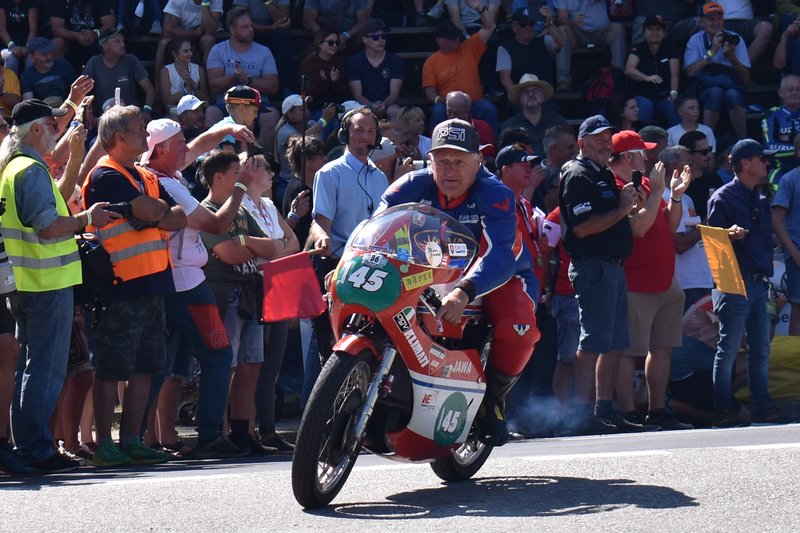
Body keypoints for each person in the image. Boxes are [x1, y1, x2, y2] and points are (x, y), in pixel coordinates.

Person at [378, 118, 540, 446]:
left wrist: (464, 291)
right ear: (430, 161)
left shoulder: (495, 193)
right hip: (430, 269)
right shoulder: (408, 185)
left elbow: (499, 256)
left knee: (518, 328)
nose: (450, 170)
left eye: (459, 161)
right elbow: (375, 228)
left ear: (478, 160)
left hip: (500, 275)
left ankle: (492, 401)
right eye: (442, 161)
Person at [0, 99, 115, 472]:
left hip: (27, 282)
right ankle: (36, 448)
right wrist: (87, 218)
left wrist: (78, 155)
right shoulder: (30, 171)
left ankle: (30, 445)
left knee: (32, 367)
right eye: (51, 125)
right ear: (36, 130)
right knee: (44, 369)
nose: (55, 132)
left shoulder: (17, 168)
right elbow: (50, 227)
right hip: (44, 282)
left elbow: (54, 208)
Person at [141, 117, 257, 459]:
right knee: (219, 354)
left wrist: (227, 129)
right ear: (160, 149)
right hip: (187, 283)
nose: (185, 148)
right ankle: (208, 436)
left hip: (171, 279)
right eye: (179, 144)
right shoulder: (170, 184)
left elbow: (198, 145)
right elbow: (217, 223)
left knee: (161, 365)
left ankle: (140, 439)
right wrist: (241, 186)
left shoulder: (158, 169)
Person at [82, 105, 187, 467]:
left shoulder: (147, 175)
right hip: (119, 285)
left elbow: (178, 217)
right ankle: (104, 445)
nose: (145, 133)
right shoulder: (104, 174)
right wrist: (149, 212)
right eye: (139, 128)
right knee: (111, 367)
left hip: (154, 283)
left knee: (146, 365)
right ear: (118, 138)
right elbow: (151, 210)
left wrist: (148, 212)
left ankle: (131, 440)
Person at [199, 149, 290, 455]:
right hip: (225, 296)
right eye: (236, 174)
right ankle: (215, 430)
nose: (241, 179)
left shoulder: (240, 212)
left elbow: (274, 246)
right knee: (227, 365)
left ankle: (241, 433)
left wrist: (243, 241)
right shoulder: (208, 210)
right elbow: (230, 255)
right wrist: (249, 245)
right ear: (218, 178)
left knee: (252, 364)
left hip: (250, 296)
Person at [558, 114, 640, 434]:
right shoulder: (578, 174)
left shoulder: (602, 173)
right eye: (598, 140)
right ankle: (581, 414)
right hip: (594, 266)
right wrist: (621, 210)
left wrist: (626, 207)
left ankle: (603, 409)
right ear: (582, 143)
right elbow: (583, 227)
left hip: (613, 266)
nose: (606, 145)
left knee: (615, 341)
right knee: (593, 341)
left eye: (609, 139)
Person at [608, 130, 692, 431]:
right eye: (643, 152)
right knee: (628, 352)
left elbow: (669, 223)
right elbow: (638, 229)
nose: (649, 157)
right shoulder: (615, 185)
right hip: (635, 281)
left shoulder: (644, 182)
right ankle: (629, 413)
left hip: (664, 279)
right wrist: (658, 192)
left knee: (663, 348)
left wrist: (676, 194)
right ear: (629, 157)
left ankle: (656, 410)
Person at [707, 139, 785, 427]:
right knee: (728, 348)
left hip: (758, 282)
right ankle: (723, 407)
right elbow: (713, 243)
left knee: (760, 349)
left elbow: (764, 244)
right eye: (761, 159)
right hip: (733, 281)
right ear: (745, 164)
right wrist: (728, 233)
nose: (767, 163)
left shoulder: (761, 198)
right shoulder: (723, 197)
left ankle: (762, 406)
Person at [309, 107, 388, 361]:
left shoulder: (381, 178)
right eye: (359, 130)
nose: (366, 136)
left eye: (371, 131)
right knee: (331, 348)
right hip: (338, 266)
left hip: (372, 271)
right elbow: (320, 221)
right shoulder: (330, 173)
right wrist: (322, 236)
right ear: (345, 134)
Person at [240, 152, 299, 452]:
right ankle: (249, 429)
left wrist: (272, 252)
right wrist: (276, 250)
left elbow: (294, 242)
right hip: (255, 289)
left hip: (276, 286)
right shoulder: (239, 206)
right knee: (254, 363)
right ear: (250, 171)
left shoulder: (270, 205)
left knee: (272, 363)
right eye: (266, 168)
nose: (273, 173)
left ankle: (268, 429)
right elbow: (276, 245)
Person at [281, 135, 326, 407]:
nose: (324, 161)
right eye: (319, 156)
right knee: (312, 335)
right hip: (302, 271)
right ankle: (309, 401)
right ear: (308, 160)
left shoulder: (300, 188)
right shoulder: (302, 192)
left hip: (302, 270)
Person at [206, 7, 280, 149]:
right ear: (232, 29)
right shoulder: (218, 50)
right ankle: (212, 160)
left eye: (251, 26)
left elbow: (273, 86)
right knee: (211, 112)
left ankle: (263, 158)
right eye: (245, 27)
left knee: (271, 115)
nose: (251, 30)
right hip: (226, 104)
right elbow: (214, 85)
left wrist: (250, 81)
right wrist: (234, 78)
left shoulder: (264, 52)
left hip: (257, 104)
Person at [422, 3, 498, 133]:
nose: (457, 40)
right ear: (439, 40)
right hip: (448, 106)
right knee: (438, 110)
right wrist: (440, 100)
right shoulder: (431, 61)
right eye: (451, 38)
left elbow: (489, 27)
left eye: (457, 36)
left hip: (473, 104)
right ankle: (433, 147)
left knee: (488, 108)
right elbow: (429, 92)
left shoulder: (469, 47)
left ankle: (493, 148)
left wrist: (481, 9)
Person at [658, 145, 713, 310]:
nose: (694, 165)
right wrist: (707, 225)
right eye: (689, 162)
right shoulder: (665, 197)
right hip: (685, 283)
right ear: (675, 166)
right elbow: (679, 245)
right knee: (689, 335)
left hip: (699, 279)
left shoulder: (686, 197)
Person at [684, 2, 749, 138]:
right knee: (715, 93)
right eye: (711, 19)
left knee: (733, 95)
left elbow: (745, 78)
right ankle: (707, 142)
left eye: (719, 18)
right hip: (705, 87)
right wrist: (711, 52)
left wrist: (732, 57)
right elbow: (690, 73)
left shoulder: (735, 39)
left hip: (732, 85)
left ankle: (743, 141)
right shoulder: (695, 40)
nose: (715, 22)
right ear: (702, 22)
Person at [553, 0, 626, 92]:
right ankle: (563, 81)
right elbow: (562, 18)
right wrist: (573, 21)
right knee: (562, 30)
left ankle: (617, 76)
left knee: (617, 28)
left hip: (602, 31)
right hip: (577, 33)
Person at [84, 28, 156, 121]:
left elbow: (150, 90)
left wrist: (147, 110)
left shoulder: (131, 60)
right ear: (105, 45)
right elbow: (83, 93)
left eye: (123, 41)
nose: (123, 45)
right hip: (104, 119)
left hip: (131, 117)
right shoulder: (94, 63)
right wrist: (89, 115)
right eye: (117, 41)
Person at [274, 94, 335, 202]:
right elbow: (300, 143)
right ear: (290, 114)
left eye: (306, 107)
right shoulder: (284, 131)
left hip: (310, 182)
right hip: (291, 185)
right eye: (301, 109)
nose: (306, 110)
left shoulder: (310, 125)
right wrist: (324, 120)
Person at [624, 15, 681, 128]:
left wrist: (674, 93)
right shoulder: (638, 48)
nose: (654, 32)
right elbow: (629, 69)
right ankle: (642, 142)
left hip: (664, 95)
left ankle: (676, 142)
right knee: (645, 105)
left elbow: (675, 74)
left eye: (658, 29)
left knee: (673, 106)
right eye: (650, 29)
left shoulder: (670, 49)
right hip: (642, 94)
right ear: (644, 33)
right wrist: (647, 77)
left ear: (664, 33)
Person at [232, 0, 294, 95]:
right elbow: (241, 21)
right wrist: (270, 28)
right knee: (243, 32)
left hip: (275, 33)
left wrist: (268, 1)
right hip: (252, 32)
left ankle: (285, 88)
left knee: (284, 35)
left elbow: (283, 20)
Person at [346, 18, 403, 120]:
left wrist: (384, 104)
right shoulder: (354, 61)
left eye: (384, 36)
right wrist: (371, 106)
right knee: (359, 114)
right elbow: (357, 95)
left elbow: (394, 93)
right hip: (363, 105)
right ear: (364, 40)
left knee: (395, 111)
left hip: (388, 104)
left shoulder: (395, 60)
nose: (381, 40)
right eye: (375, 37)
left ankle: (394, 136)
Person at [496, 6, 564, 91]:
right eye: (523, 25)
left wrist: (549, 24)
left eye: (531, 24)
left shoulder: (544, 41)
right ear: (514, 27)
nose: (528, 28)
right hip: (518, 99)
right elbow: (505, 79)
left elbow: (561, 42)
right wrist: (519, 98)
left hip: (545, 97)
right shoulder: (505, 48)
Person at [155, 0, 222, 84]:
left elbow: (210, 30)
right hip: (179, 36)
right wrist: (195, 33)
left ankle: (209, 85)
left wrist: (205, 3)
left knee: (208, 40)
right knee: (163, 43)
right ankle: (157, 87)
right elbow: (167, 30)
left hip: (200, 38)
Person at [772, 136, 800, 336]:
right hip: (797, 253)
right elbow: (776, 221)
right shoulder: (790, 179)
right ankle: (796, 363)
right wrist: (794, 253)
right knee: (799, 308)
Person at [501, 73, 565, 156]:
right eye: (525, 91)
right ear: (519, 98)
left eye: (535, 90)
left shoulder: (557, 122)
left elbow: (568, 152)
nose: (531, 94)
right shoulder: (509, 126)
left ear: (542, 95)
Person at [296, 28, 351, 116]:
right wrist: (325, 81)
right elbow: (308, 93)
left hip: (337, 106)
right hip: (316, 107)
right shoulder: (307, 64)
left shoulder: (340, 62)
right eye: (330, 43)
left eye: (337, 43)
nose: (334, 46)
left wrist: (335, 81)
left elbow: (344, 91)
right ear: (320, 44)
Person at [762, 75, 800, 194]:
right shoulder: (771, 115)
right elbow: (770, 147)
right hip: (780, 169)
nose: (794, 92)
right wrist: (797, 148)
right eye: (790, 90)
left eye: (798, 89)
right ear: (781, 93)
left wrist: (787, 140)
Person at [47, 0, 115, 65]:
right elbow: (57, 29)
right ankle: (59, 76)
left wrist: (95, 34)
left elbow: (110, 24)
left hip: (97, 38)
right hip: (70, 39)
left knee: (111, 42)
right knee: (56, 44)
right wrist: (76, 35)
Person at [159, 38, 213, 119]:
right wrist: (185, 91)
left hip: (197, 111)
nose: (190, 53)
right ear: (175, 54)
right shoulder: (166, 71)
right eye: (186, 51)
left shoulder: (199, 70)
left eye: (191, 50)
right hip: (175, 112)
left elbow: (207, 99)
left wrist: (193, 84)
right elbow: (165, 101)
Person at [679, 130, 722, 222]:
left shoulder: (714, 179)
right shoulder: (678, 183)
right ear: (688, 154)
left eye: (709, 150)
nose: (709, 155)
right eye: (704, 152)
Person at [20, 36, 74, 101]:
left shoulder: (64, 65)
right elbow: (29, 103)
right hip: (42, 110)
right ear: (32, 56)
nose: (49, 57)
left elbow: (77, 89)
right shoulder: (26, 76)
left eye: (50, 52)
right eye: (44, 54)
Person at [302, 0, 370, 51]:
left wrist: (345, 36)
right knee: (310, 55)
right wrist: (328, 39)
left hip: (351, 37)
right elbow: (308, 20)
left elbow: (363, 22)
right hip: (323, 35)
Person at [0, 0, 38, 73]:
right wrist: (12, 46)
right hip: (6, 44)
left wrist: (28, 47)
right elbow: (1, 29)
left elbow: (33, 28)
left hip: (27, 43)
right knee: (11, 59)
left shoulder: (31, 2)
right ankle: (9, 84)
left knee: (30, 61)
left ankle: (28, 84)